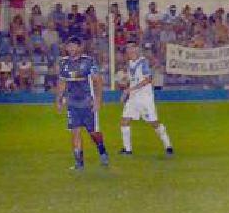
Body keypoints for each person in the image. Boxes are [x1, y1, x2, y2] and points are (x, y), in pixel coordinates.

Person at [54, 36, 109, 171]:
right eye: (69, 46)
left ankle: (101, 149)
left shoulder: (88, 62)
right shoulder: (63, 63)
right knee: (75, 132)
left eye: (74, 46)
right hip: (72, 103)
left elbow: (98, 81)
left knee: (93, 133)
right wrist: (59, 99)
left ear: (80, 47)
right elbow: (62, 82)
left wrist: (98, 99)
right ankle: (79, 163)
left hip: (88, 103)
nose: (71, 49)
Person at [117, 44, 174, 157]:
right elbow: (132, 79)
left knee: (154, 123)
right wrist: (125, 87)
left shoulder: (143, 62)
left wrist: (130, 89)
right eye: (127, 48)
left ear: (136, 49)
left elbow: (148, 79)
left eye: (131, 48)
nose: (129, 50)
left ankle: (168, 146)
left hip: (145, 98)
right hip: (133, 98)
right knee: (124, 121)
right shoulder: (130, 64)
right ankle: (128, 150)